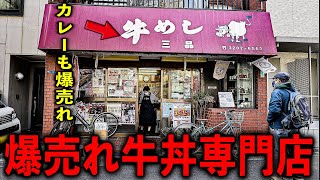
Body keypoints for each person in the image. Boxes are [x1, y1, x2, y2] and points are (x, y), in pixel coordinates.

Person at [267, 72, 304, 180]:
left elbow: (274, 110)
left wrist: (269, 121)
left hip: (281, 126)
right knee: (293, 151)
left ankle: (282, 175)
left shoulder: (277, 92)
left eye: (275, 79)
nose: (273, 81)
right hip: (294, 126)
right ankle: (297, 175)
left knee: (280, 151)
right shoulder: (294, 91)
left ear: (279, 80)